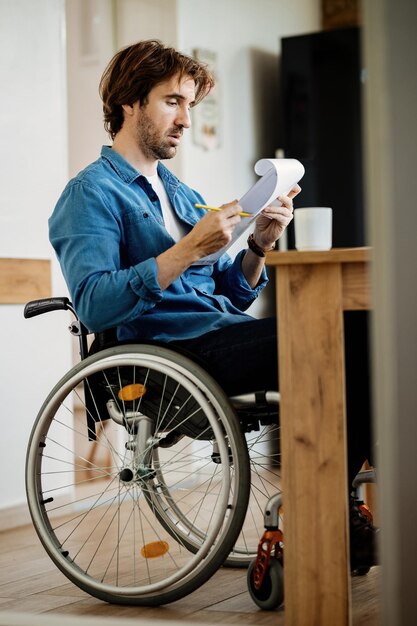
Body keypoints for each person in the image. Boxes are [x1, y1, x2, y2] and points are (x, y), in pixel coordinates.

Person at [49, 39, 377, 572]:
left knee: (363, 329)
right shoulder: (90, 194)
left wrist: (259, 244)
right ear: (130, 102)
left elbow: (226, 294)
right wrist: (185, 250)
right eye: (172, 101)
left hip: (216, 335)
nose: (183, 118)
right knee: (349, 335)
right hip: (169, 356)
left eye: (189, 106)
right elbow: (93, 303)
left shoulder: (178, 191)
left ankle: (334, 505)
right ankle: (329, 514)